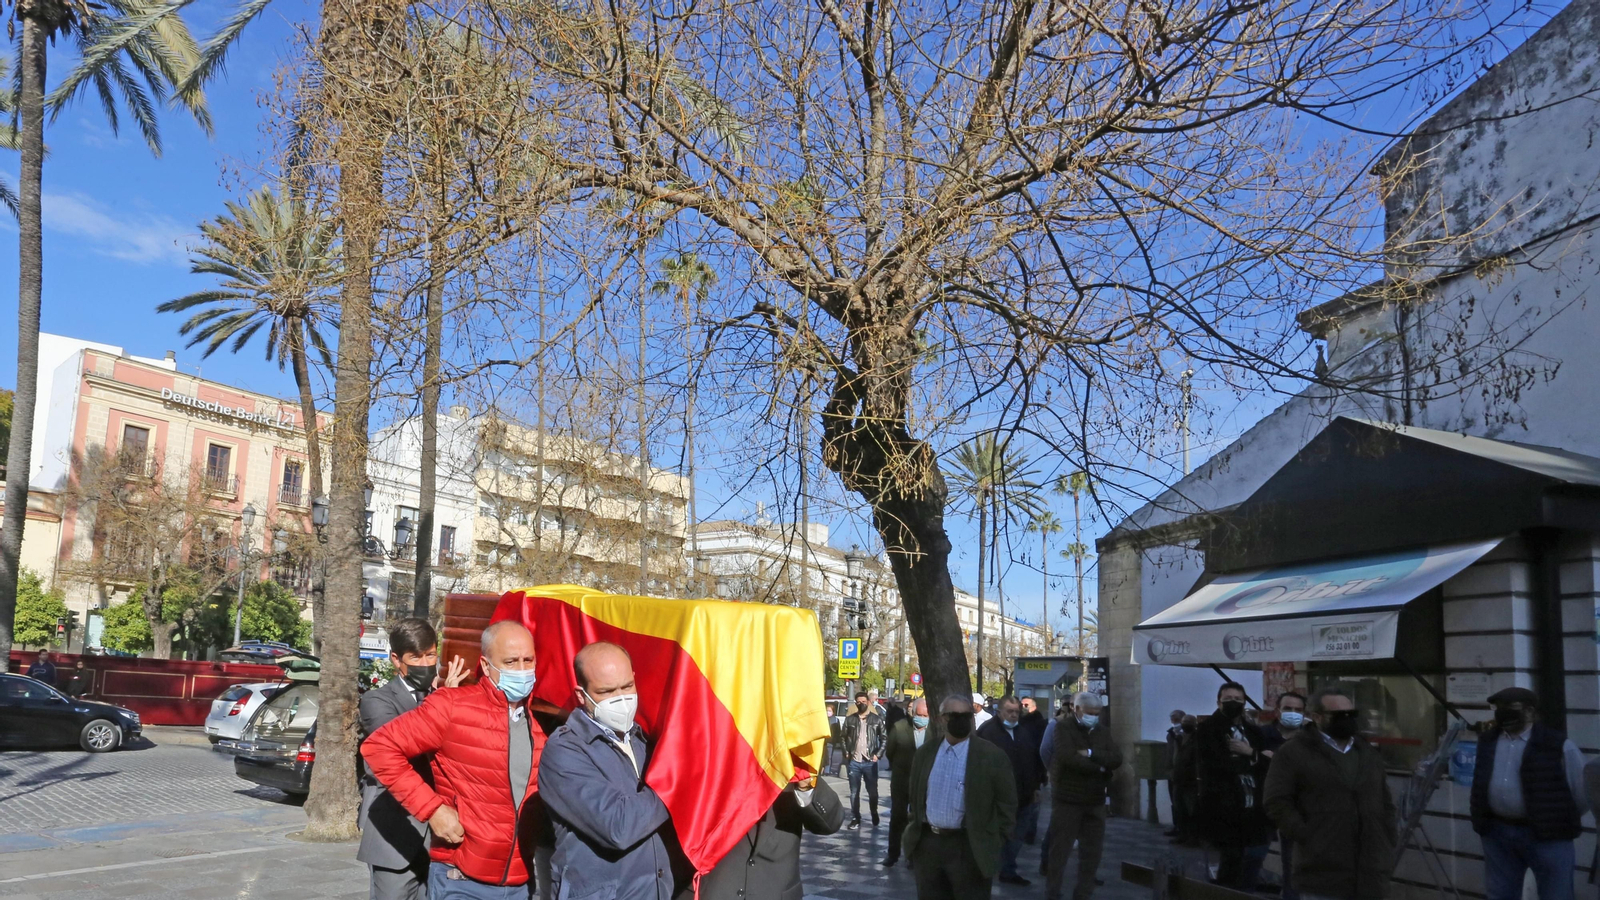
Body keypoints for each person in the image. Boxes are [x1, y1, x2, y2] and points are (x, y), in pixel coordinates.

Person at [362, 620, 549, 899]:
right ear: (486, 666)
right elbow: (381, 748)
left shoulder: (539, 723)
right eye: (510, 662)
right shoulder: (449, 705)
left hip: (518, 880)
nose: (521, 670)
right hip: (457, 874)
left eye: (528, 660)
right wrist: (433, 809)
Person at [539, 642, 684, 900]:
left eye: (627, 687)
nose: (622, 698)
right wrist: (675, 779)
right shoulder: (564, 751)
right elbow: (619, 826)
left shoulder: (643, 740)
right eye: (607, 691)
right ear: (582, 695)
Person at [359, 618, 468, 900]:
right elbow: (404, 749)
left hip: (443, 838)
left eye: (430, 654)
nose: (424, 663)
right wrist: (444, 701)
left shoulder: (445, 695)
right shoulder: (377, 700)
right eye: (415, 657)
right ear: (396, 660)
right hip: (394, 834)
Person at [1263, 685, 1397, 900]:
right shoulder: (1293, 752)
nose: (1346, 719)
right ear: (1317, 716)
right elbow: (1276, 802)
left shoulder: (1366, 752)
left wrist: (1388, 835)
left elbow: (1385, 799)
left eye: (1350, 714)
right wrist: (1310, 837)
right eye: (1338, 715)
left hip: (1369, 870)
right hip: (1322, 872)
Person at [1469, 687, 1588, 900]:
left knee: (1556, 894)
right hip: (1498, 833)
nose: (1503, 713)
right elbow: (1480, 784)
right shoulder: (1488, 742)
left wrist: (1556, 818)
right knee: (1500, 893)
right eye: (1498, 708)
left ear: (1530, 712)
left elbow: (1581, 793)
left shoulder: (1557, 745)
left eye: (1510, 708)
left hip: (1548, 836)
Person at [903, 694, 1018, 900]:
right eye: (954, 715)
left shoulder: (991, 756)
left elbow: (1007, 805)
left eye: (966, 715)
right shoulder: (925, 753)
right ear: (941, 718)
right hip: (929, 845)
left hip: (970, 847)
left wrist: (993, 841)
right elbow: (915, 798)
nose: (961, 720)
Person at [690, 769, 842, 900]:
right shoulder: (715, 753)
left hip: (775, 893)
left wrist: (806, 785)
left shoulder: (789, 759)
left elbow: (830, 823)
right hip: (713, 891)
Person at [1196, 682, 1272, 892]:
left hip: (1253, 807)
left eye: (1238, 699)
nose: (1233, 703)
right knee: (1230, 863)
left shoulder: (1253, 731)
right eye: (1228, 699)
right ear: (1218, 702)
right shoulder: (1208, 729)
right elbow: (1215, 764)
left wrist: (1249, 754)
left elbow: (1268, 765)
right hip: (1225, 806)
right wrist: (1255, 759)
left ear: (1245, 701)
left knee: (1252, 860)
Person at [1045, 691, 1121, 900]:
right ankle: (1052, 892)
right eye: (1090, 712)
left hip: (1095, 799)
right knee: (1060, 850)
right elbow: (1067, 757)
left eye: (1097, 713)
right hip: (1068, 799)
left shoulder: (1102, 732)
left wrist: (1090, 754)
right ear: (1077, 710)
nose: (1094, 716)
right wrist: (1100, 768)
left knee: (1092, 853)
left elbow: (1116, 758)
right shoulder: (1063, 727)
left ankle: (1083, 893)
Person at [977, 696, 1044, 887]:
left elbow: (1033, 760)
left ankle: (1008, 869)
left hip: (1024, 795)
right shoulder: (987, 732)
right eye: (1010, 711)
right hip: (998, 797)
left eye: (1017, 711)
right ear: (999, 712)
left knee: (1017, 835)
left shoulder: (1024, 731)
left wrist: (1036, 786)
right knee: (999, 835)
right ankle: (994, 868)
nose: (1014, 715)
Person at [1260, 691, 1307, 900]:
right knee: (1253, 855)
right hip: (1262, 805)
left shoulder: (1311, 738)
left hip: (1296, 808)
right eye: (1288, 709)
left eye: (1298, 710)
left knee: (1292, 862)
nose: (1293, 713)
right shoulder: (1261, 735)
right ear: (1278, 710)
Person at [883, 697, 930, 867]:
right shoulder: (900, 727)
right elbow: (890, 752)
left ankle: (913, 855)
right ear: (913, 713)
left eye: (926, 715)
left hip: (924, 783)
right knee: (898, 817)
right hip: (901, 781)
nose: (922, 718)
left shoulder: (934, 731)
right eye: (919, 714)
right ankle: (893, 854)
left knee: (919, 819)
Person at [839, 690, 885, 829]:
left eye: (864, 702)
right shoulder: (850, 719)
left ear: (868, 703)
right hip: (854, 761)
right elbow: (842, 737)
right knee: (854, 792)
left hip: (870, 761)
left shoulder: (875, 720)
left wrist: (878, 754)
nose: (861, 704)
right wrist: (846, 752)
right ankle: (855, 818)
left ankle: (873, 812)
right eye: (858, 702)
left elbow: (884, 738)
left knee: (872, 791)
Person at [1170, 715, 1200, 847]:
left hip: (1191, 779)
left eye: (1187, 723)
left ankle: (1193, 837)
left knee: (1192, 810)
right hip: (1179, 778)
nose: (1184, 724)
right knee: (1179, 808)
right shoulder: (1180, 738)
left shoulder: (1197, 739)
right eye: (1183, 722)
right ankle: (1182, 834)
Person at [1163, 709, 1185, 839]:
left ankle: (1183, 829)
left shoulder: (1185, 733)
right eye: (1172, 719)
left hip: (1182, 772)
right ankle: (1176, 825)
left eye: (1176, 719)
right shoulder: (1170, 733)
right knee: (1174, 800)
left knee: (1181, 801)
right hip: (1172, 771)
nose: (1174, 721)